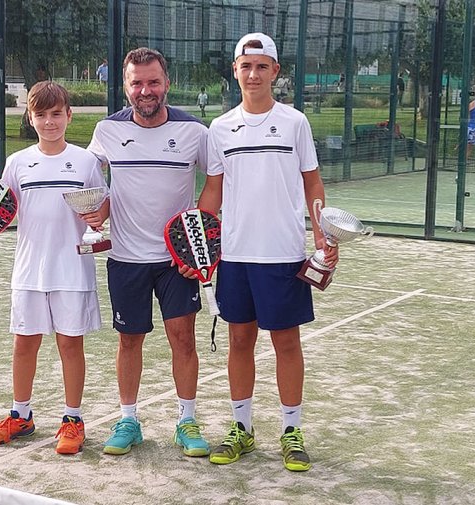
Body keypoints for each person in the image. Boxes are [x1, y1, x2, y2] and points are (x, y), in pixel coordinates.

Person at [194, 32, 337, 473]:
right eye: (245, 66)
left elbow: (312, 182)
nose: (252, 74)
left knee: (286, 342)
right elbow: (214, 191)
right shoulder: (220, 128)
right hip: (236, 256)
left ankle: (291, 432)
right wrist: (195, 238)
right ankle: (242, 429)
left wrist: (322, 236)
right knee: (239, 340)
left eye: (261, 66)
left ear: (276, 71)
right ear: (234, 71)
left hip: (284, 253)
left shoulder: (294, 122)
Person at [0, 81, 105, 455]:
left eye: (56, 114)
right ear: (30, 118)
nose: (49, 122)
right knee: (24, 344)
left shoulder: (86, 162)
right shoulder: (18, 163)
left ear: (69, 115)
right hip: (29, 271)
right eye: (41, 115)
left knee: (70, 344)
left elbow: (101, 208)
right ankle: (21, 415)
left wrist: (100, 217)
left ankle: (72, 419)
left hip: (72, 270)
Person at [84, 47, 211, 458]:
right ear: (125, 87)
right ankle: (128, 420)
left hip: (177, 263)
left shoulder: (194, 131)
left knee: (183, 339)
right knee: (129, 341)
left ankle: (186, 420)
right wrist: (93, 214)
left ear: (166, 83)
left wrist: (199, 234)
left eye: (153, 82)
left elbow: (219, 176)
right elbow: (88, 181)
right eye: (137, 83)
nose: (145, 90)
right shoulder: (106, 131)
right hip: (126, 258)